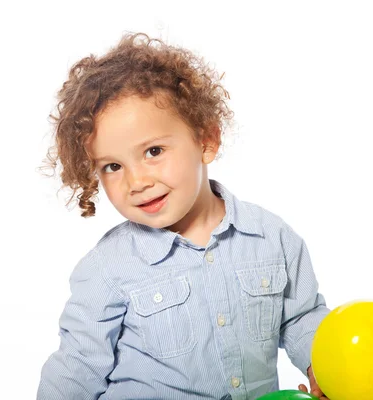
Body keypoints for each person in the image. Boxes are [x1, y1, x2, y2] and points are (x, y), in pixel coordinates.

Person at [36, 32, 330, 400]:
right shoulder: (108, 268)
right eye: (112, 166)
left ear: (206, 140)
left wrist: (322, 366)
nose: (137, 181)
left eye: (153, 151)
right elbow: (76, 369)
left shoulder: (272, 237)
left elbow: (302, 318)